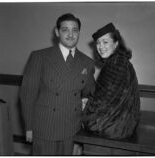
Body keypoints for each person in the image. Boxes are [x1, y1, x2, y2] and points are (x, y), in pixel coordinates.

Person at [20, 13, 95, 155]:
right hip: (45, 127)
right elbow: (27, 95)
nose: (70, 34)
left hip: (72, 128)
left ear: (79, 32)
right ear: (57, 32)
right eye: (65, 30)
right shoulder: (39, 57)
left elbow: (90, 93)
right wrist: (29, 127)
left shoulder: (87, 62)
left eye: (75, 30)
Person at [82, 23, 140, 139]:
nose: (100, 47)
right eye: (98, 43)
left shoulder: (116, 62)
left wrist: (85, 107)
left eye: (105, 42)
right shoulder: (119, 60)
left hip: (112, 128)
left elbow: (102, 101)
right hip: (120, 126)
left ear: (116, 43)